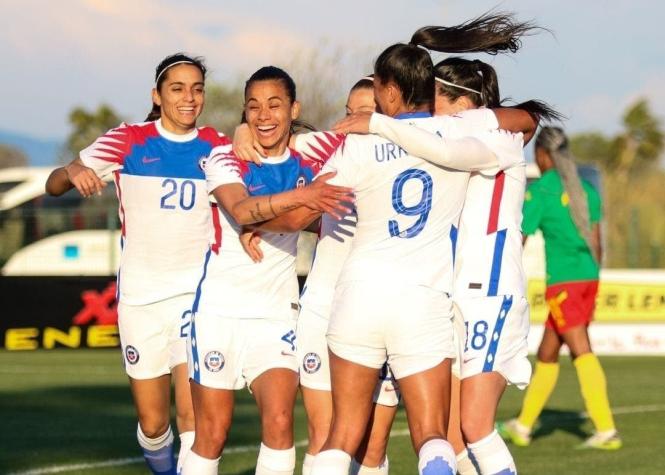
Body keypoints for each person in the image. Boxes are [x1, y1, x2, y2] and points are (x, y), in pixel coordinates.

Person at [304, 15, 532, 475]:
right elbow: (520, 123)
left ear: (388, 91)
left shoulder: (357, 144)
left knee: (342, 435)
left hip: (358, 296)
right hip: (423, 300)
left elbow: (309, 192)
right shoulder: (457, 136)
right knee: (433, 436)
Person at [45, 53, 231, 474]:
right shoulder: (127, 140)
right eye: (178, 88)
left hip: (197, 297)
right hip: (140, 301)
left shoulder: (218, 146)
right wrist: (73, 170)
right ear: (157, 95)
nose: (189, 98)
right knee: (153, 423)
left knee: (193, 418)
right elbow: (53, 185)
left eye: (197, 89)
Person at [180, 66, 353, 475]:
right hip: (218, 312)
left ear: (294, 109)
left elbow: (366, 137)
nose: (263, 116)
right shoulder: (226, 156)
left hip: (275, 314)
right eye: (253, 107)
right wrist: (301, 198)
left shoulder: (312, 155)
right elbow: (240, 209)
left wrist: (276, 215)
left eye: (274, 105)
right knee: (213, 432)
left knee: (279, 424)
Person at [497, 127, 621, 450]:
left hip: (563, 281)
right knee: (548, 353)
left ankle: (606, 430)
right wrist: (592, 275)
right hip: (588, 278)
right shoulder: (587, 191)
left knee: (581, 349)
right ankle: (523, 426)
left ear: (542, 155)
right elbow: (597, 242)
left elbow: (519, 237)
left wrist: (504, 276)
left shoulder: (542, 191)